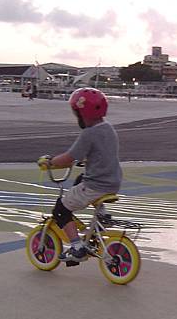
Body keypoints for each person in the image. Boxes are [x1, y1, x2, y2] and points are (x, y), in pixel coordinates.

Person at [37, 88, 122, 263]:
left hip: (96, 186)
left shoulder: (88, 134)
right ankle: (102, 214)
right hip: (112, 182)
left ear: (82, 112)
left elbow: (69, 158)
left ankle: (77, 247)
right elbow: (102, 152)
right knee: (79, 179)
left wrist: (50, 162)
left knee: (60, 210)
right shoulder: (108, 128)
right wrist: (88, 160)